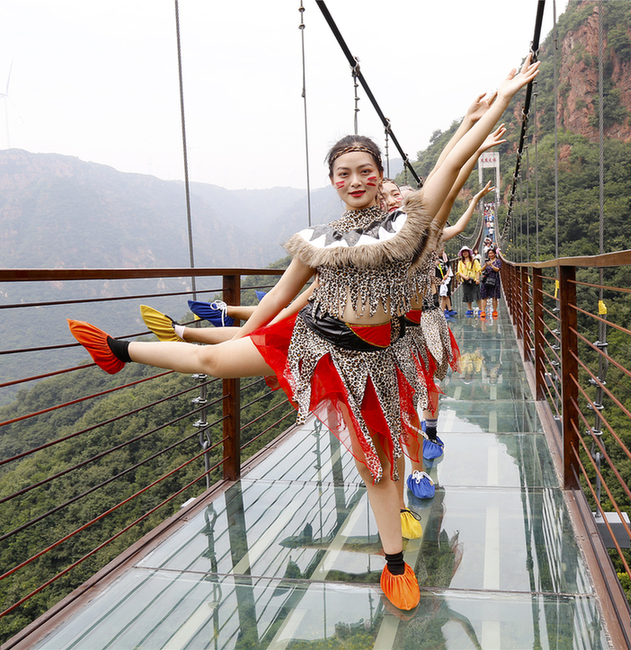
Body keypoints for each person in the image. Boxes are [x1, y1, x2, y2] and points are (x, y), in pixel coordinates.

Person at [67, 55, 540, 611]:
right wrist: (247, 338)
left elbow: (451, 163)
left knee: (375, 466)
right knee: (213, 363)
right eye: (344, 173)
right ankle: (118, 349)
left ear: (380, 175)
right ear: (333, 181)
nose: (355, 181)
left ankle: (395, 566)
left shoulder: (408, 222)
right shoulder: (319, 239)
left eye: (366, 171)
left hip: (370, 362)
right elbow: (275, 298)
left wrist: (499, 100)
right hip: (312, 340)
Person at [456, 246, 481, 317]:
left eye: (466, 251)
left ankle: (481, 309)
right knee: (467, 295)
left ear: (469, 252)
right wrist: (465, 277)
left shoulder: (474, 261)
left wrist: (478, 279)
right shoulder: (461, 262)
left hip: (474, 280)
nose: (465, 253)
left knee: (477, 295)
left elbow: (478, 270)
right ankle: (470, 309)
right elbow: (459, 272)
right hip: (466, 281)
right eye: (463, 252)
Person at [480, 247, 502, 318]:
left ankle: (494, 311)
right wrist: (486, 265)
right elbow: (481, 269)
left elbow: (497, 269)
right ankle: (483, 311)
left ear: (495, 254)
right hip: (486, 280)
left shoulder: (498, 261)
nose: (490, 255)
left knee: (494, 296)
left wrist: (491, 265)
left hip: (494, 280)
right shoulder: (487, 261)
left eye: (492, 253)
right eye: (489, 253)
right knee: (484, 296)